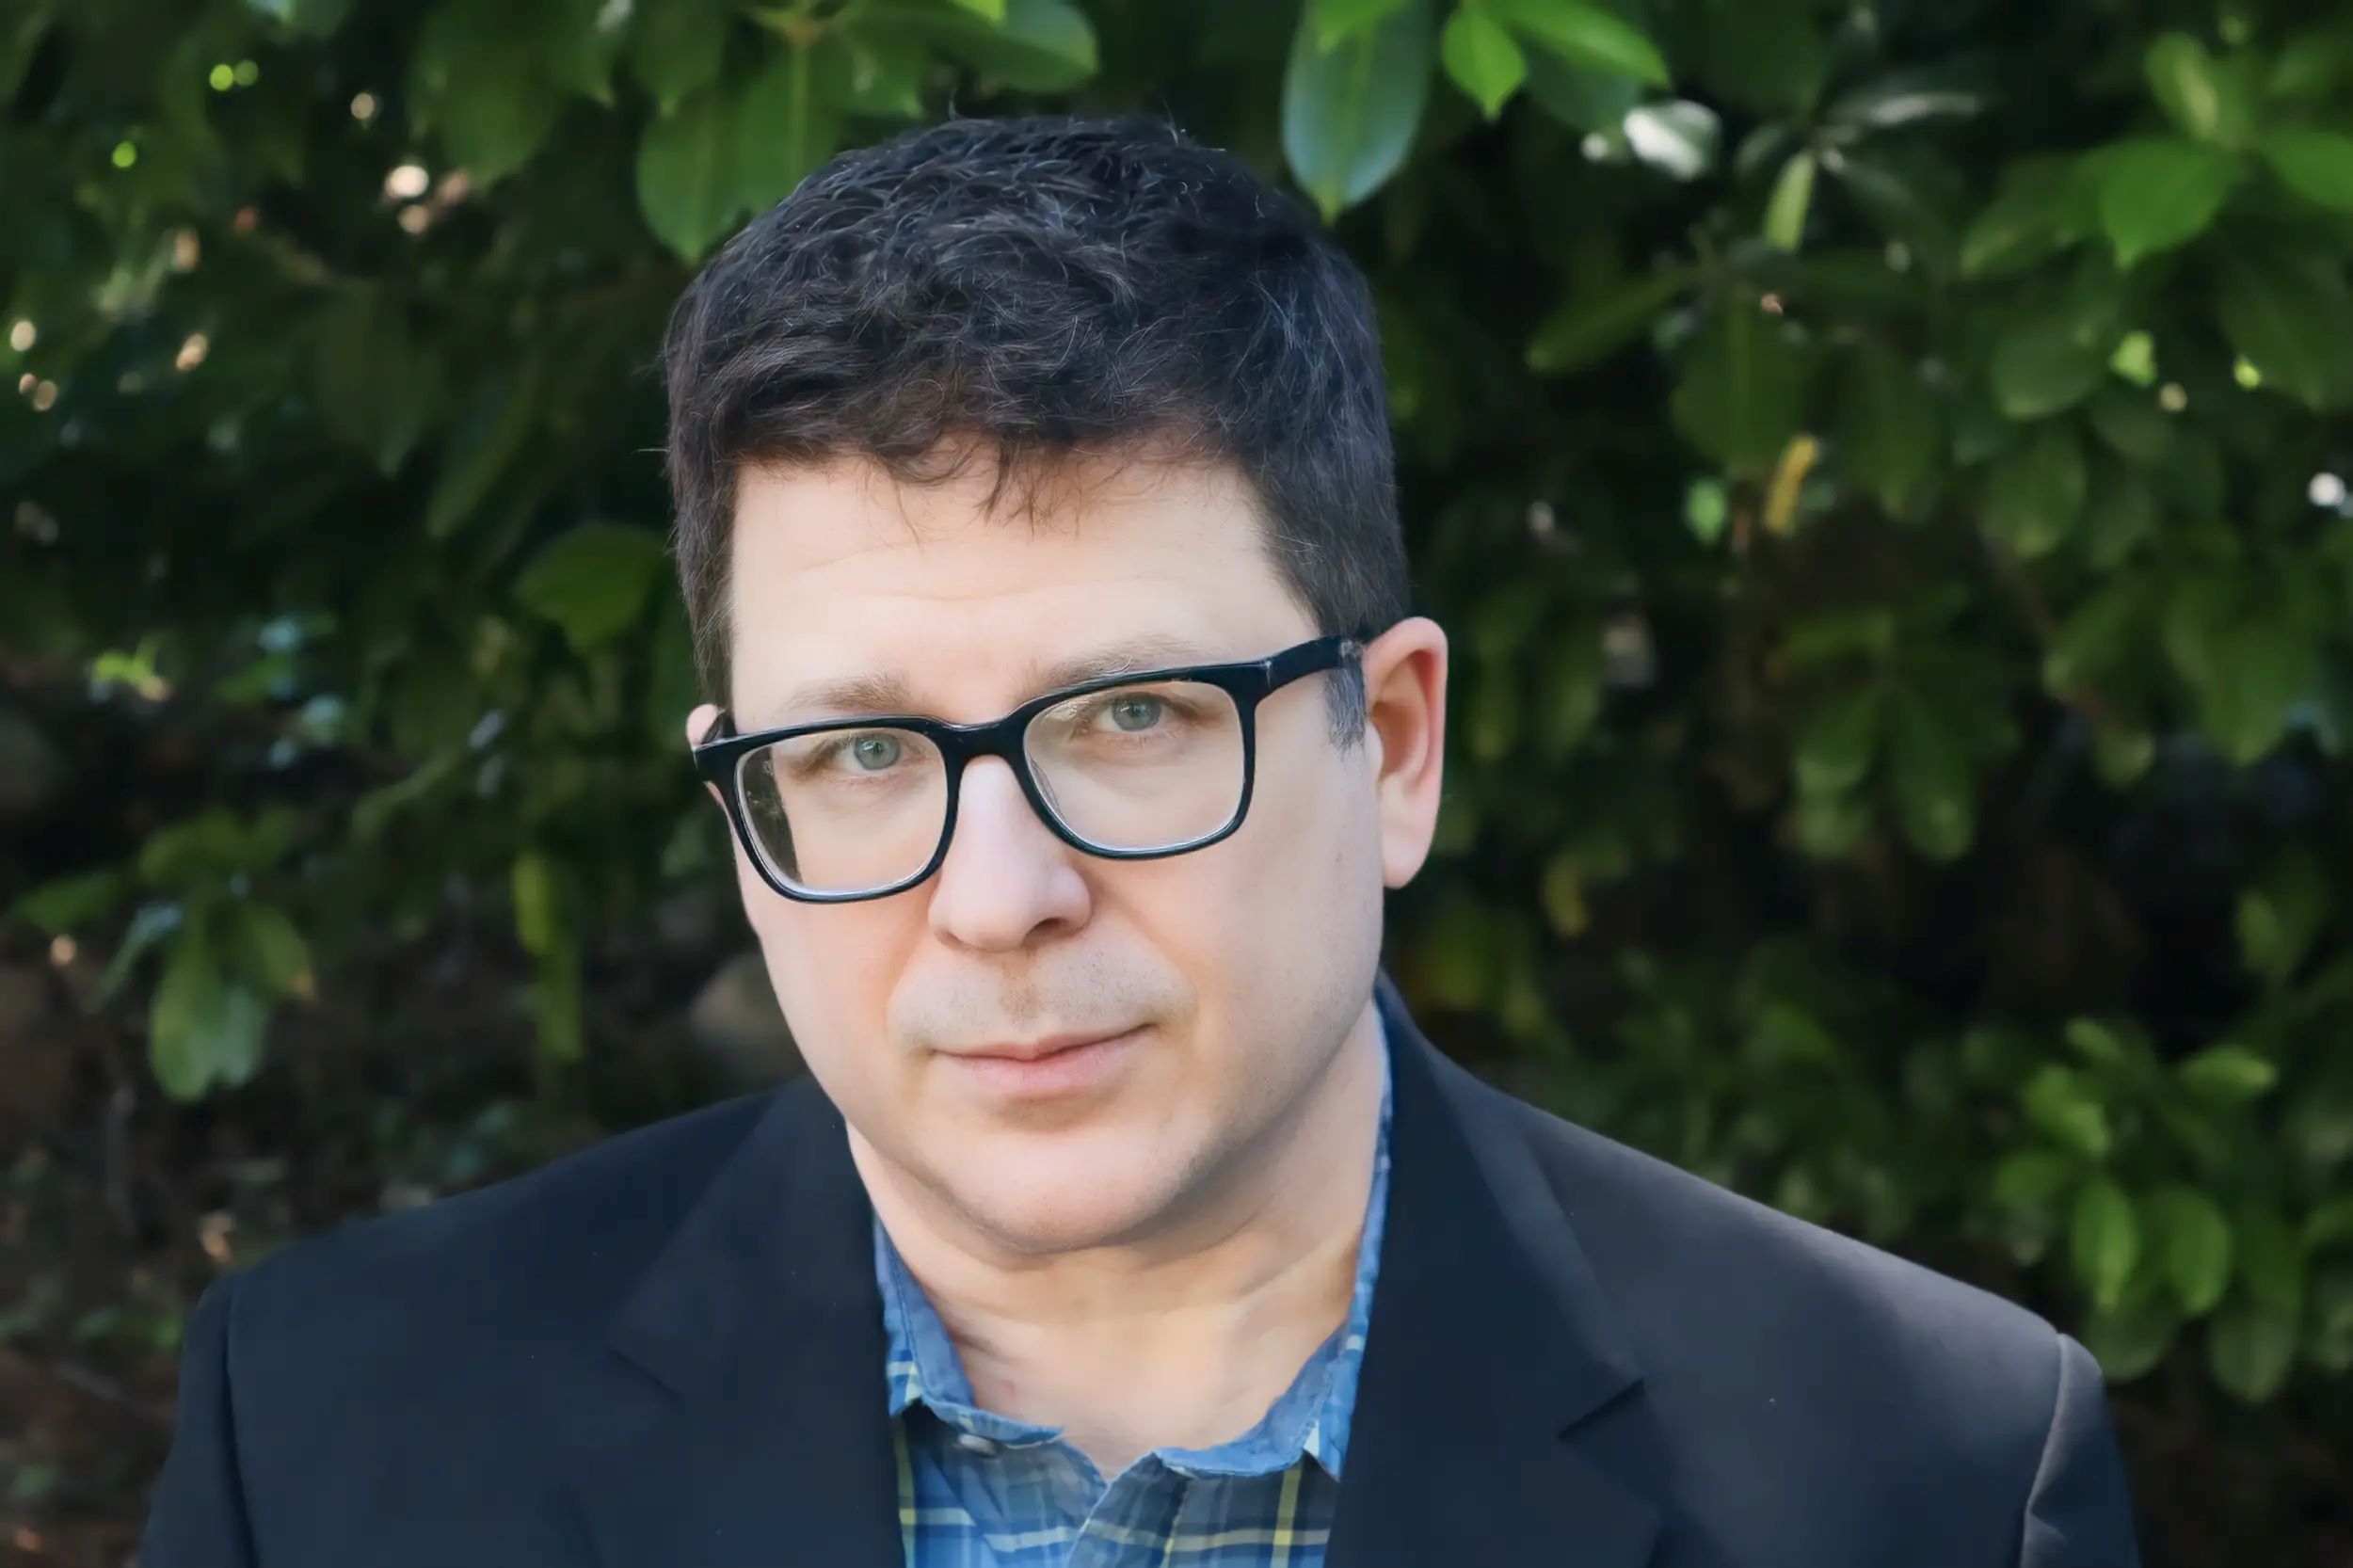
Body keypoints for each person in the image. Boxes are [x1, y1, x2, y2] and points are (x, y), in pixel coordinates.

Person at [140, 112, 2142, 1568]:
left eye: (1128, 720)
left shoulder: (1928, 1479)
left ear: (1396, 741)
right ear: (744, 795)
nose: (996, 899)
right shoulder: (327, 1435)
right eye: (853, 751)